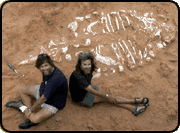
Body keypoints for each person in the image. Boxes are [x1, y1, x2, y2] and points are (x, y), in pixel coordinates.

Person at [69, 52, 149, 116]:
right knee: (107, 98)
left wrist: (107, 95)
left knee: (108, 95)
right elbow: (91, 90)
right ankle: (133, 106)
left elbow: (90, 87)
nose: (87, 66)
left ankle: (134, 103)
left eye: (89, 64)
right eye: (84, 64)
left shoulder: (89, 69)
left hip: (86, 89)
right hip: (81, 97)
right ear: (80, 65)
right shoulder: (78, 76)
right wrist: (107, 96)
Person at [5, 53, 68, 129]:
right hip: (44, 90)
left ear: (51, 64)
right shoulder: (48, 71)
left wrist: (31, 110)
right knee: (21, 90)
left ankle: (22, 107)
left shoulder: (55, 79)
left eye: (46, 65)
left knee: (34, 119)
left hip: (53, 103)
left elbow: (43, 99)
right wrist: (30, 111)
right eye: (42, 66)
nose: (44, 68)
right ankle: (27, 111)